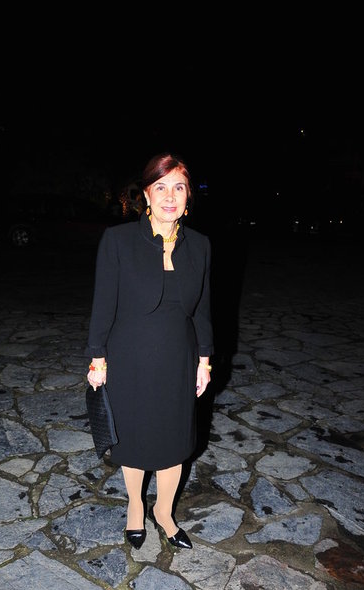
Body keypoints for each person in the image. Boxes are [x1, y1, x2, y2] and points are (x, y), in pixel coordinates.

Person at [86, 151, 213, 550]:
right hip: (130, 359)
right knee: (136, 439)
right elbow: (103, 304)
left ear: (189, 195)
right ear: (146, 194)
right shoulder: (118, 241)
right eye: (161, 187)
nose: (170, 196)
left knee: (175, 441)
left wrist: (205, 360)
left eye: (179, 187)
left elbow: (203, 309)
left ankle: (164, 512)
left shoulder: (200, 246)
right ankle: (135, 507)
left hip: (178, 360)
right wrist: (97, 357)